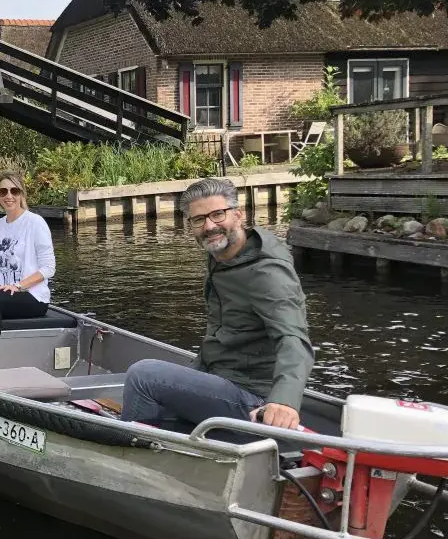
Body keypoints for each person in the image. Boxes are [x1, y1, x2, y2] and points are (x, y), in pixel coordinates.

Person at [120, 177, 314, 430]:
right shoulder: (223, 256)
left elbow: (294, 339)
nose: (209, 226)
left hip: (253, 400)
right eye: (199, 219)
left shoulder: (267, 274)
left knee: (143, 375)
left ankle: (131, 454)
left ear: (238, 215)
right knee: (153, 398)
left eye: (218, 215)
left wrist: (284, 402)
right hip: (222, 379)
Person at [0, 171, 56, 370]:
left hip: (32, 296)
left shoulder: (35, 223)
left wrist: (17, 286)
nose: (9, 196)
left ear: (22, 193)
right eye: (3, 191)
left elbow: (49, 267)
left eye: (14, 190)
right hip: (3, 294)